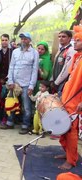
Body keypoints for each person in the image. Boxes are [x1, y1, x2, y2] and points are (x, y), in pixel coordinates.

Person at [1, 32, 39, 134]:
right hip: (15, 83)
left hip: (26, 83)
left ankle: (25, 125)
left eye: (25, 39)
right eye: (22, 39)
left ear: (29, 40)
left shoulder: (34, 53)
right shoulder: (15, 52)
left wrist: (32, 85)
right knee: (12, 103)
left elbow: (35, 70)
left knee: (26, 106)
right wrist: (10, 81)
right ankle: (10, 123)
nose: (23, 40)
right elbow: (11, 66)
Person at [54, 30, 82, 170]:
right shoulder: (77, 57)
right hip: (67, 99)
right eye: (75, 39)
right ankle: (68, 153)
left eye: (78, 40)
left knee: (71, 132)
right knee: (63, 129)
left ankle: (71, 160)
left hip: (75, 103)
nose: (75, 42)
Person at [51, 30, 76, 96]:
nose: (60, 38)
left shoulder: (71, 50)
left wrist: (56, 82)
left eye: (63, 36)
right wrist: (52, 79)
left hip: (64, 83)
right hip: (56, 81)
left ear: (70, 38)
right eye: (59, 37)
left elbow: (67, 69)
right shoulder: (61, 50)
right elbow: (55, 66)